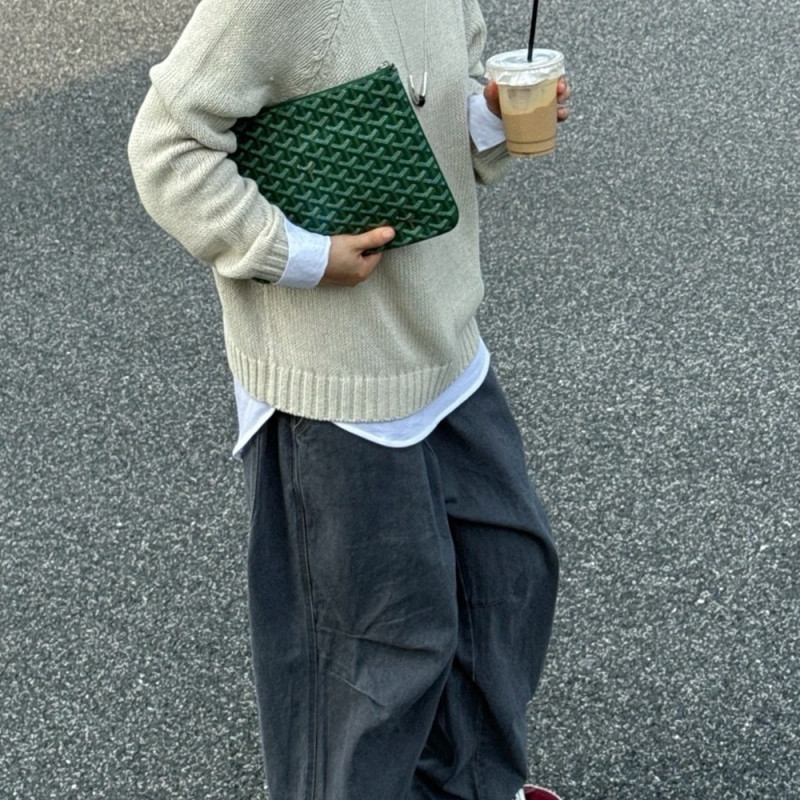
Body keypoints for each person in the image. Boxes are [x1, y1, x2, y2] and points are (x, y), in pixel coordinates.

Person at [128, 1, 571, 798]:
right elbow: (166, 147)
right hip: (336, 379)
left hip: (443, 345)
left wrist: (492, 119)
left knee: (508, 580)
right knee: (373, 659)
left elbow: (428, 118)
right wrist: (297, 253)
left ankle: (470, 790)